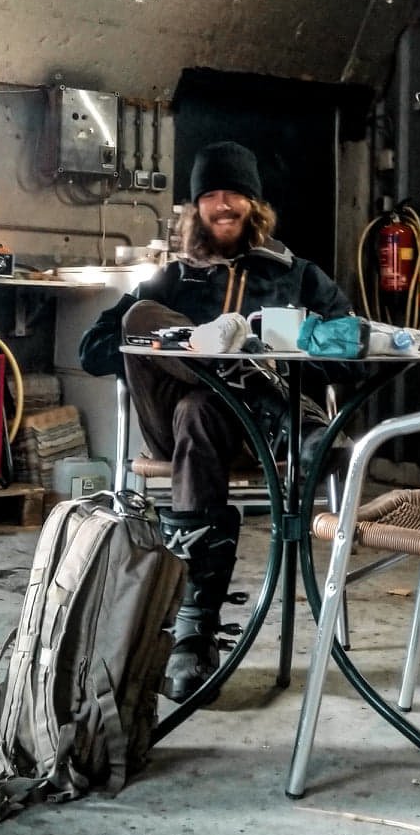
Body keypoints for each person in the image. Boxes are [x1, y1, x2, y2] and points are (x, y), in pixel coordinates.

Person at [79, 140, 351, 700]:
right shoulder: (173, 279)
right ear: (195, 207)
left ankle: (193, 635)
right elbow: (93, 350)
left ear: (255, 204)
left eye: (234, 193)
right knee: (142, 317)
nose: (222, 204)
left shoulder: (296, 275)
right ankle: (280, 411)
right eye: (210, 195)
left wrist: (291, 345)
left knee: (200, 408)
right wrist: (180, 348)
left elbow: (347, 345)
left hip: (242, 438)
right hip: (190, 428)